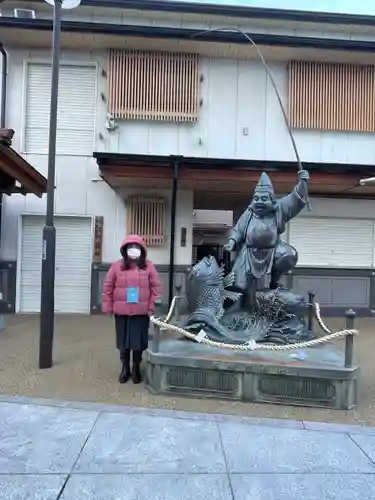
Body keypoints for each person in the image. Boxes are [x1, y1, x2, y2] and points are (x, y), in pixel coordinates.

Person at [224, 170, 309, 298]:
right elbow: (239, 230)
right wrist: (232, 242)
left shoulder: (279, 208)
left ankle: (275, 282)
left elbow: (295, 198)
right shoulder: (249, 213)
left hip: (273, 252)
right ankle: (242, 306)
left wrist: (302, 182)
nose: (259, 202)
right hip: (248, 255)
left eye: (264, 199)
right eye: (256, 198)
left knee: (288, 254)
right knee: (238, 287)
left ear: (272, 200)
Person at [102, 235, 161, 384]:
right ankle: (125, 367)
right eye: (130, 247)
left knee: (138, 342)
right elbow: (108, 287)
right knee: (123, 342)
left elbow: (156, 289)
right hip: (121, 312)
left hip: (141, 313)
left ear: (142, 250)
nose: (133, 250)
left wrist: (152, 306)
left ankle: (135, 367)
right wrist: (108, 306)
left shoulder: (149, 266)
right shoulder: (116, 266)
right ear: (125, 250)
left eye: (136, 247)